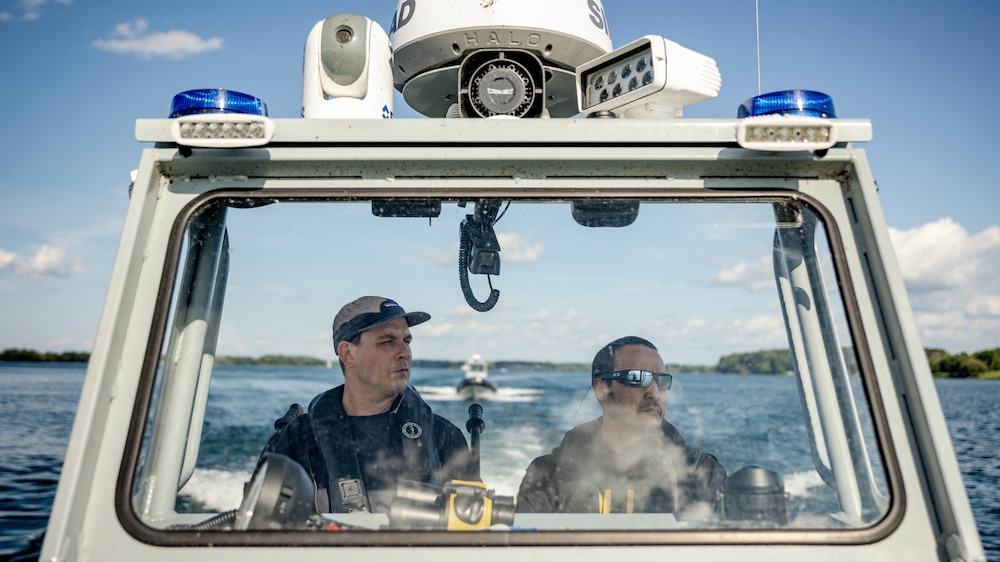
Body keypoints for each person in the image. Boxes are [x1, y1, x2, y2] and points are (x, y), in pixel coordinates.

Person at [256, 296, 474, 514]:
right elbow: (260, 530)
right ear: (348, 354)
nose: (404, 353)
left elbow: (472, 524)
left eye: (406, 341)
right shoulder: (293, 442)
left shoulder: (443, 437)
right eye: (387, 341)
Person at [515, 336, 726, 514]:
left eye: (662, 381)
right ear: (602, 389)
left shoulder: (702, 473)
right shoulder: (547, 475)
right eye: (637, 378)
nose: (654, 392)